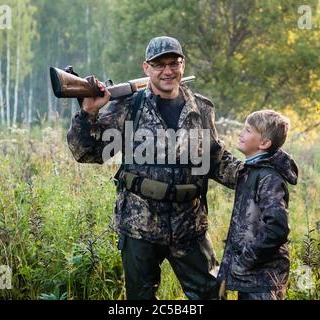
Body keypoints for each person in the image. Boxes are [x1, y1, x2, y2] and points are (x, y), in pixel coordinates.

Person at [66, 36, 241, 300]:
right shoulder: (128, 106)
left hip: (189, 225)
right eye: (159, 65)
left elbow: (215, 159)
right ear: (146, 68)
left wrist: (257, 173)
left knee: (211, 295)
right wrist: (88, 114)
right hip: (140, 226)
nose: (168, 71)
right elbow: (87, 153)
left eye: (174, 63)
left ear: (183, 65)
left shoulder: (201, 108)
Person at [214, 109, 298, 300]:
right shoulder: (251, 170)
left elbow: (277, 227)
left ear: (264, 143)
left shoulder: (268, 177)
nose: (240, 133)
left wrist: (246, 259)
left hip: (263, 277)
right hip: (251, 275)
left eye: (248, 130)